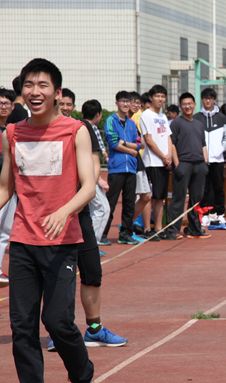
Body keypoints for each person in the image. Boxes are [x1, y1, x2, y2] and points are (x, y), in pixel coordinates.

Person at [1, 58, 95, 383]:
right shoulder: (12, 133)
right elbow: (5, 187)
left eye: (43, 85)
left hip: (62, 243)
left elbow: (89, 186)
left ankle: (82, 374)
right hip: (23, 242)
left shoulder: (75, 130)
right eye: (29, 85)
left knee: (57, 321)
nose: (35, 91)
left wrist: (64, 210)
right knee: (22, 327)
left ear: (57, 92)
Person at [50, 89, 127, 351]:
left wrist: (86, 187)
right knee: (58, 275)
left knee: (92, 271)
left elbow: (94, 164)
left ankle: (94, 328)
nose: (64, 108)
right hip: (51, 215)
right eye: (60, 104)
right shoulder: (42, 132)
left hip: (79, 211)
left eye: (68, 104)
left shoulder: (82, 128)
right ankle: (59, 331)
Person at [166, 92, 210, 239]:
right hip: (183, 164)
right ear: (180, 106)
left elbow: (203, 144)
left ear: (195, 105)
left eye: (190, 103)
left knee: (196, 199)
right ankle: (173, 230)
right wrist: (177, 164)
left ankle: (194, 229)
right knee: (178, 197)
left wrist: (205, 162)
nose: (187, 106)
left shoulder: (198, 123)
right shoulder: (176, 123)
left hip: (199, 164)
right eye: (184, 104)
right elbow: (172, 144)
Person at [103, 90, 141, 245]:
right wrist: (130, 150)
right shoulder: (111, 120)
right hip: (116, 168)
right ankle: (102, 233)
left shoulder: (132, 124)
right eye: (123, 101)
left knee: (129, 203)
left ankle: (125, 233)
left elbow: (139, 144)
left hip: (131, 168)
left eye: (128, 101)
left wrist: (124, 144)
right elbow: (112, 142)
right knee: (110, 203)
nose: (126, 104)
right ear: (116, 103)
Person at [140, 84, 173, 239]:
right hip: (152, 162)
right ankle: (147, 228)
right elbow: (148, 140)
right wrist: (163, 156)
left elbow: (168, 137)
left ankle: (159, 228)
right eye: (157, 96)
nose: (160, 99)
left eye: (163, 96)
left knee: (160, 196)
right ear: (151, 98)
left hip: (163, 162)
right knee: (149, 196)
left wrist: (169, 156)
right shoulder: (146, 115)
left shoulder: (163, 117)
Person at [194, 88, 226, 224]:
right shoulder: (196, 118)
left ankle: (219, 213)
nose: (208, 100)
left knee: (218, 187)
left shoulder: (221, 118)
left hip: (218, 159)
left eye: (210, 98)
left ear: (214, 100)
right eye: (205, 98)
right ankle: (204, 213)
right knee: (203, 187)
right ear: (202, 99)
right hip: (201, 159)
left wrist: (219, 150)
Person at [81, 100, 111, 250]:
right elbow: (94, 160)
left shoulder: (76, 126)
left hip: (87, 178)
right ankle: (92, 246)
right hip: (88, 179)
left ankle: (90, 244)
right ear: (98, 115)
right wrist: (95, 180)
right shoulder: (90, 129)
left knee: (92, 211)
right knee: (102, 209)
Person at [130, 91, 154, 241]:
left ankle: (139, 226)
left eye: (136, 103)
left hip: (142, 160)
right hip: (140, 159)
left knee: (144, 195)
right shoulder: (138, 117)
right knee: (140, 195)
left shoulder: (137, 118)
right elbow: (142, 142)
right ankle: (131, 226)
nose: (134, 105)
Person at [0, 89, 17, 287]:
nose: (3, 106)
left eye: (6, 103)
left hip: (8, 188)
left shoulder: (12, 131)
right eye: (0, 103)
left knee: (5, 231)